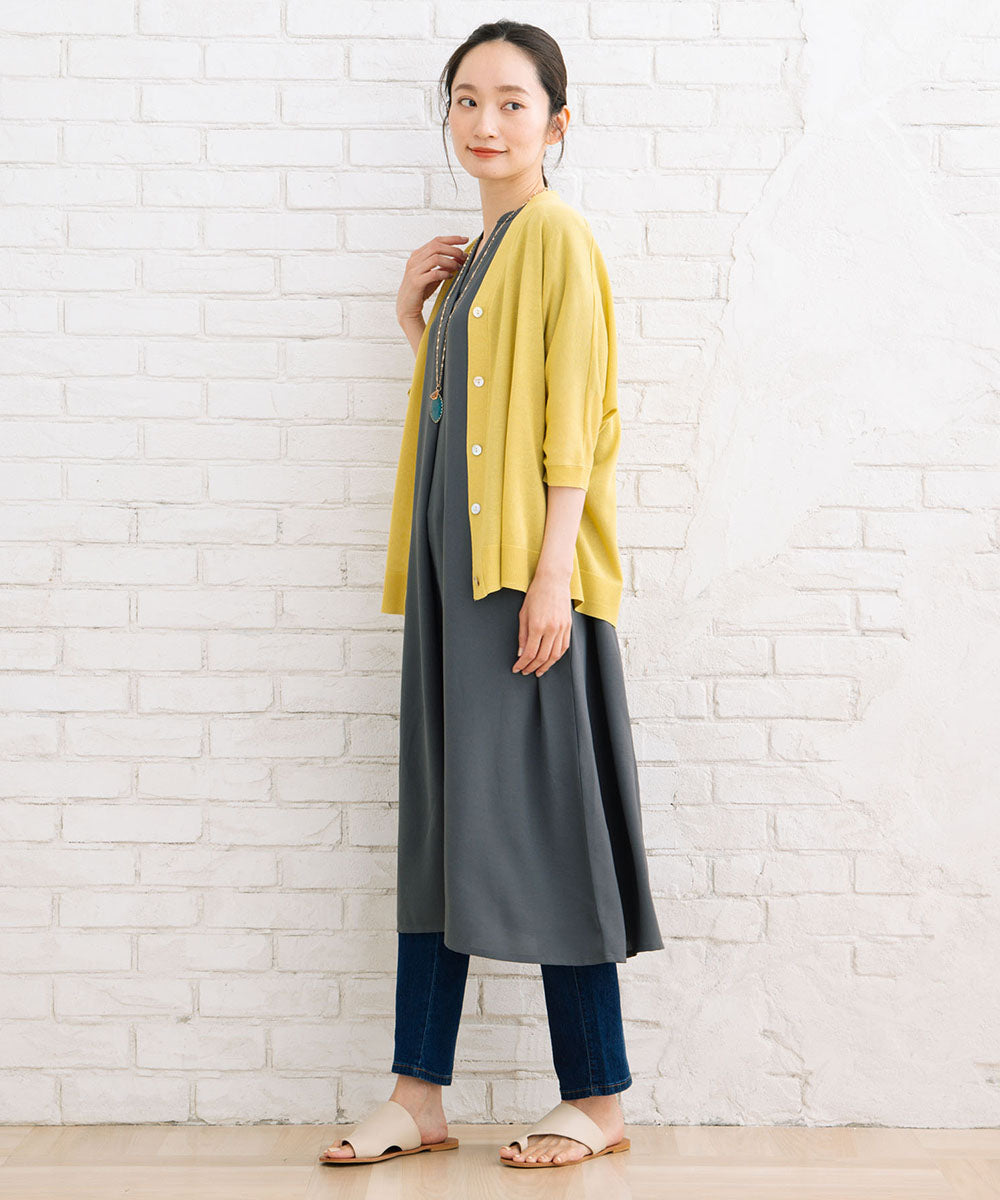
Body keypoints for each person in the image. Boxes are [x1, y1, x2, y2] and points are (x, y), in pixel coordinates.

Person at [321, 19, 663, 1170]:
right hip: (452, 586)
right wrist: (416, 324)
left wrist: (553, 577)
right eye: (466, 100)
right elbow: (461, 419)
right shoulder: (480, 256)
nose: (485, 122)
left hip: (522, 585)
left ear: (557, 124)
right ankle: (418, 1092)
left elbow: (579, 419)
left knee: (552, 826)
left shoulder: (556, 235)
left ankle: (598, 1099)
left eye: (513, 102)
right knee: (442, 833)